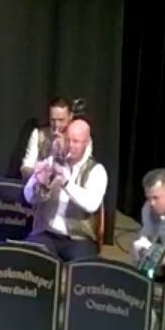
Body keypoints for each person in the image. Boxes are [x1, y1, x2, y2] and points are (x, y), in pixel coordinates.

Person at [23, 117, 105, 261]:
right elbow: (28, 196)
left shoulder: (96, 170)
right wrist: (39, 185)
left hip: (79, 239)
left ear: (86, 143)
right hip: (47, 233)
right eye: (67, 140)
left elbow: (92, 204)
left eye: (76, 141)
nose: (70, 145)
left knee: (83, 269)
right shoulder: (50, 162)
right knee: (28, 258)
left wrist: (66, 183)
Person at [21, 97, 90, 179]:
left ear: (70, 116)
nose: (56, 125)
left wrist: (64, 149)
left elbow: (83, 169)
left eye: (61, 120)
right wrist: (38, 175)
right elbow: (27, 166)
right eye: (53, 120)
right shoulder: (38, 134)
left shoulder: (81, 137)